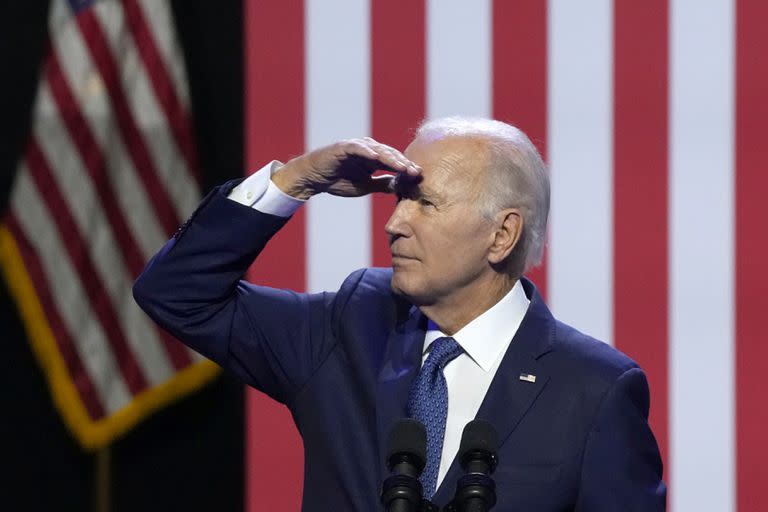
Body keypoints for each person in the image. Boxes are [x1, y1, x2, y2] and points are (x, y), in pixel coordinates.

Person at [134, 117, 666, 510]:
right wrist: (295, 180)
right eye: (397, 200)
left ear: (501, 235)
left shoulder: (593, 391)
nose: (394, 224)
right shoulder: (350, 326)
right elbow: (177, 292)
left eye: (423, 203)